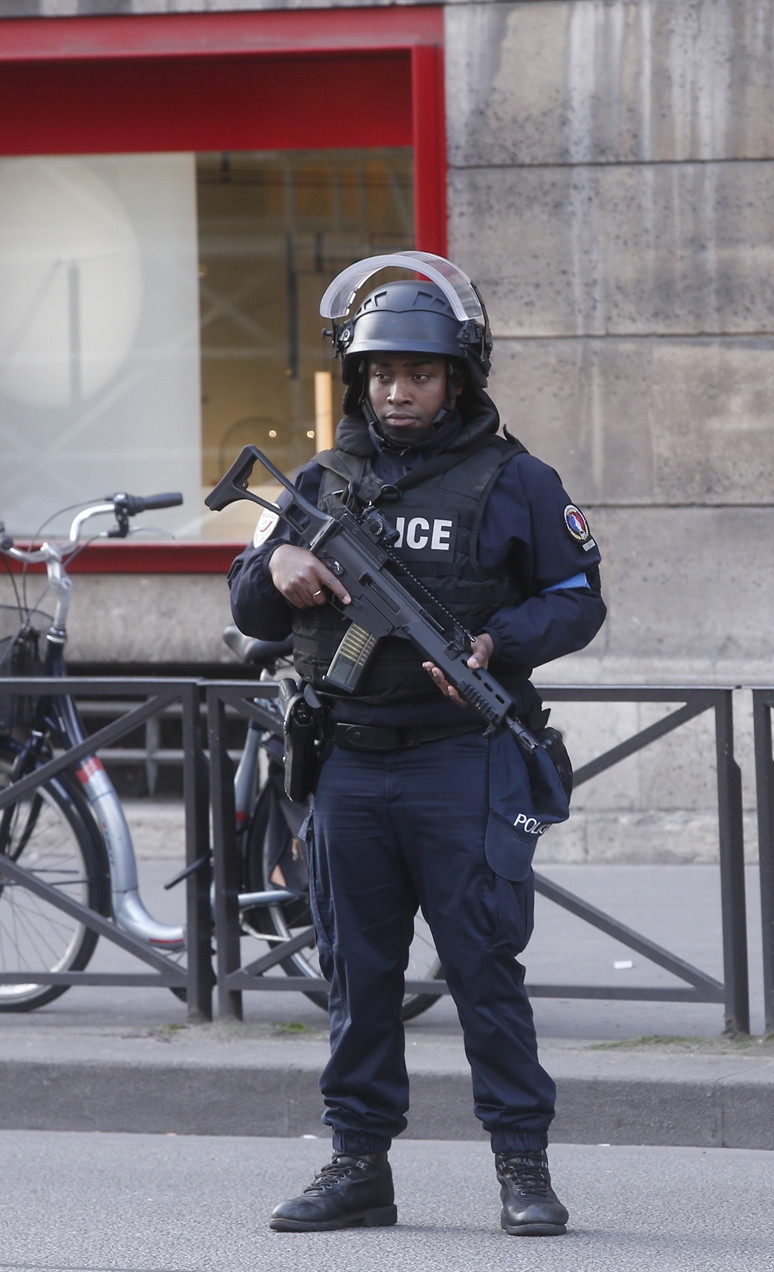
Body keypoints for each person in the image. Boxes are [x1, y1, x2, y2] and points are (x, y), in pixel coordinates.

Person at [227, 253, 604, 1237]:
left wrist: (494, 642)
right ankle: (358, 1167)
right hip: (347, 761)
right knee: (357, 976)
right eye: (383, 373)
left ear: (458, 378)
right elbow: (247, 600)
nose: (399, 390)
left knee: (485, 969)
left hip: (460, 758)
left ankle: (522, 1166)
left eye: (421, 373)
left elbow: (576, 600)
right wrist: (286, 561)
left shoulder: (519, 481)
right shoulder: (319, 481)